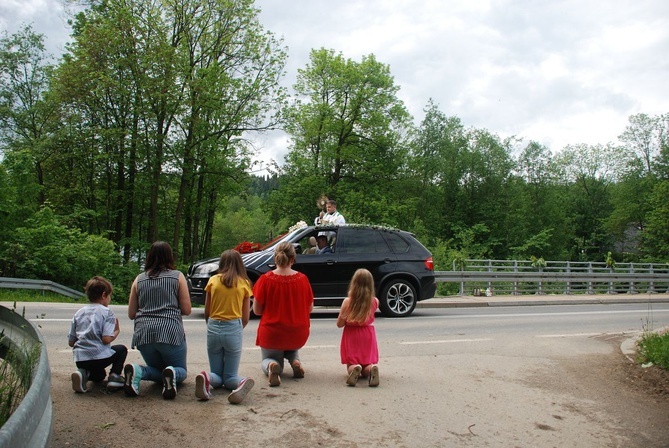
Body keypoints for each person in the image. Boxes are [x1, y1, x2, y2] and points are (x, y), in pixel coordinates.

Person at [124, 241, 192, 399]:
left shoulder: (139, 279)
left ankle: (138, 371)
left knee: (155, 369)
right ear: (170, 257)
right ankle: (173, 373)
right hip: (170, 332)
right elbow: (187, 310)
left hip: (144, 334)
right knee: (181, 371)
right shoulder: (178, 277)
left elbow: (131, 313)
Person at [195, 250, 255, 403]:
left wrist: (212, 325)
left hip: (214, 326)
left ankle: (206, 378)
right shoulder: (244, 283)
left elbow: (207, 311)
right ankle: (241, 383)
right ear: (239, 264)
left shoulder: (213, 281)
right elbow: (246, 317)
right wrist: (236, 329)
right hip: (233, 327)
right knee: (230, 377)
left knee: (216, 373)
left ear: (221, 263)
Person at [252, 242, 314, 387]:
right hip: (297, 332)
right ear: (293, 258)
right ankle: (295, 361)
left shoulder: (265, 280)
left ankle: (272, 366)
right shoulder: (303, 279)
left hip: (273, 333)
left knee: (268, 359)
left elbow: (257, 311)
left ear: (275, 258)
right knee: (291, 347)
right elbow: (310, 308)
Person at [68, 276, 128, 393]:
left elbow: (71, 342)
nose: (109, 299)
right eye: (109, 296)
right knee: (121, 350)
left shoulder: (79, 313)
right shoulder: (107, 312)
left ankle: (83, 373)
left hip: (81, 359)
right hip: (99, 358)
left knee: (99, 376)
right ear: (104, 295)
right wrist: (116, 332)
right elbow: (106, 339)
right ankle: (114, 377)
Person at [336, 268, 380, 387]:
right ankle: (371, 369)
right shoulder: (375, 301)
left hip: (352, 335)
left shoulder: (347, 302)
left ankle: (355, 368)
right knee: (367, 364)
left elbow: (339, 324)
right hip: (368, 335)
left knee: (351, 364)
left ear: (353, 283)